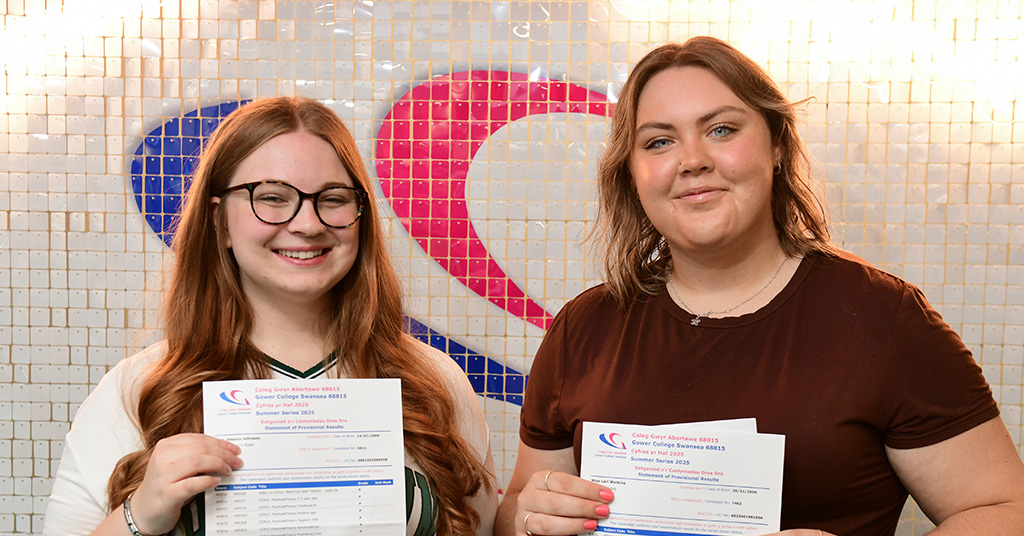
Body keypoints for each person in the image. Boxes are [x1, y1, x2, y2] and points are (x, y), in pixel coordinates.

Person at [496, 36, 1024, 536]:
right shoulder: (584, 328)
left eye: (721, 130)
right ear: (632, 175)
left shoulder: (884, 320)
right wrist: (526, 517)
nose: (692, 160)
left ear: (776, 144)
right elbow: (515, 509)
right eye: (659, 141)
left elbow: (1007, 511)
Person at [44, 96, 497, 536]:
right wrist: (138, 517)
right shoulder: (137, 391)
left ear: (361, 215)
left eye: (333, 198)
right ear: (220, 222)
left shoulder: (433, 382)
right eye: (273, 197)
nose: (308, 223)